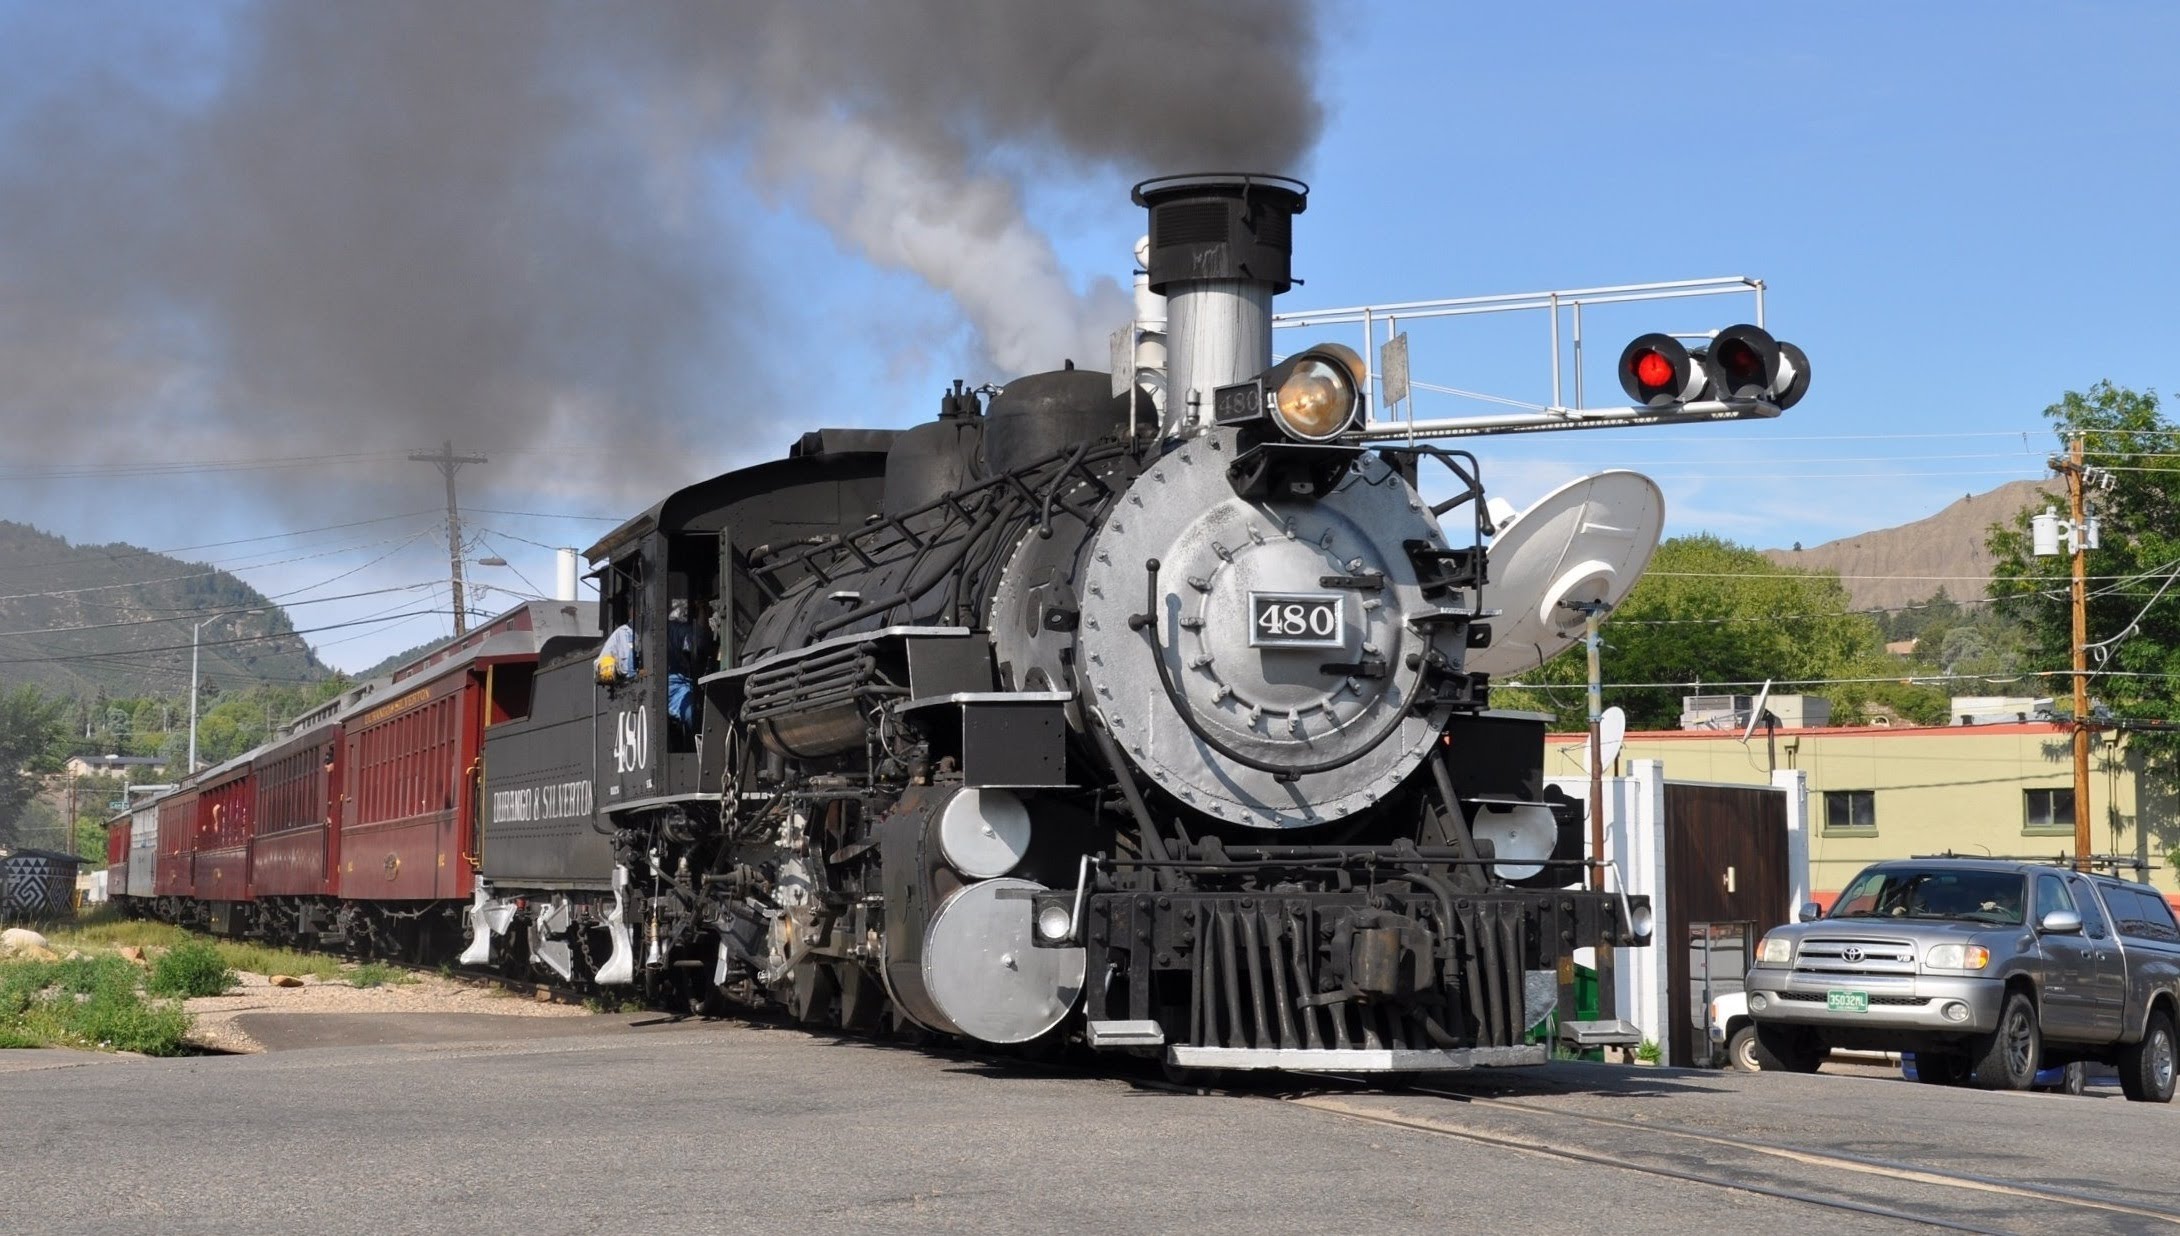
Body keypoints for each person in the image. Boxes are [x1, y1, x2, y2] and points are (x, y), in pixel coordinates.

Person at [666, 599, 696, 732]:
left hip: (684, 684)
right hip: (671, 687)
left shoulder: (674, 629)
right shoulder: (624, 633)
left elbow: (697, 640)